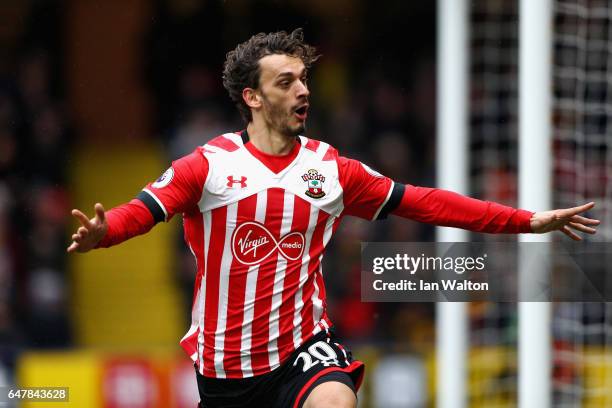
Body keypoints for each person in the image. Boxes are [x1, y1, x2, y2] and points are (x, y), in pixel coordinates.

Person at [67, 29, 600, 408]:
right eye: (285, 82)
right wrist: (103, 232)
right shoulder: (208, 166)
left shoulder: (331, 169)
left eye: (303, 79)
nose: (302, 90)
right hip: (225, 371)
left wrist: (526, 221)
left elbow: (424, 201)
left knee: (334, 400)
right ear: (251, 97)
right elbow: (142, 211)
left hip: (303, 347)